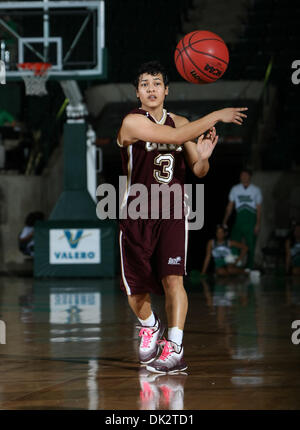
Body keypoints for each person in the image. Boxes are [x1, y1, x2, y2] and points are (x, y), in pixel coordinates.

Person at [117, 61, 247, 374]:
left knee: (174, 279)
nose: (151, 88)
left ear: (166, 90)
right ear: (137, 92)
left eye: (156, 83)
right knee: (135, 291)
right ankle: (150, 325)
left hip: (173, 209)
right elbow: (175, 138)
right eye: (145, 83)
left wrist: (203, 157)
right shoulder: (132, 122)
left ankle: (174, 347)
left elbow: (199, 171)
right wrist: (216, 115)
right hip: (137, 212)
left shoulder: (182, 121)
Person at [222, 168, 262, 269]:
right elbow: (230, 206)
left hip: (251, 219)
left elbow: (259, 208)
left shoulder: (256, 190)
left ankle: (249, 267)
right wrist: (225, 221)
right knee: (235, 242)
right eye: (242, 175)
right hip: (239, 218)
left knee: (251, 244)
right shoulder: (235, 189)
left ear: (250, 176)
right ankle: (235, 265)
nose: (243, 177)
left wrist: (257, 223)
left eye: (245, 175)